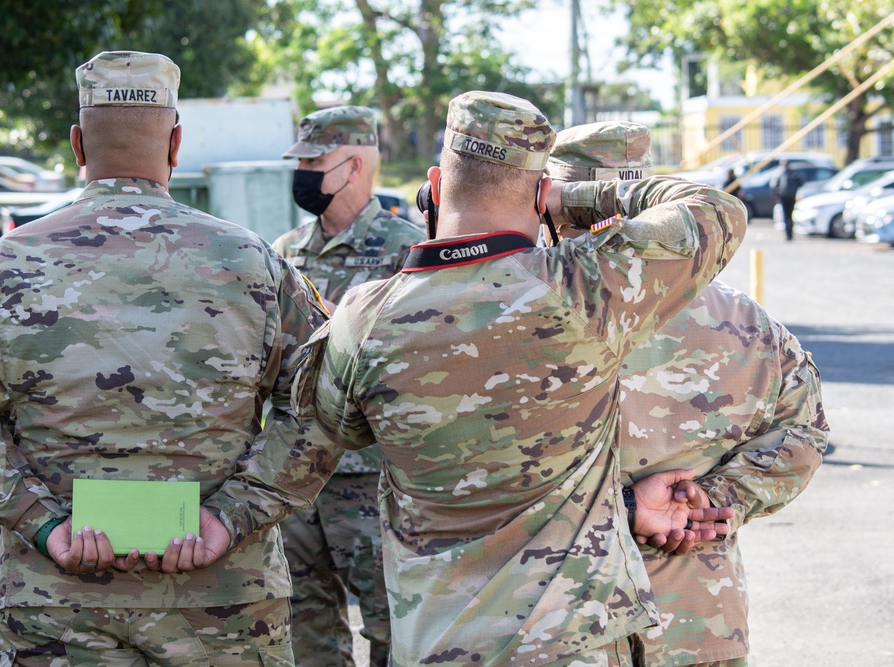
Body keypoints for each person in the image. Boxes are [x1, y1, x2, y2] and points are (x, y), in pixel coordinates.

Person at [0, 50, 340, 666]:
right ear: (176, 143)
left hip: (55, 598)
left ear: (78, 144)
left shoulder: (5, 265)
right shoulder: (252, 264)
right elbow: (327, 398)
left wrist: (40, 519)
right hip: (220, 600)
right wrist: (234, 514)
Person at [294, 92, 747, 666]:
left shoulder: (365, 313)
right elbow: (715, 211)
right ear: (541, 194)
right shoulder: (585, 288)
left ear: (434, 184)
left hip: (437, 646)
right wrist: (582, 197)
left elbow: (332, 427)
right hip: (569, 646)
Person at [549, 122, 830, 667]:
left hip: (560, 623)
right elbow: (806, 428)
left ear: (556, 202)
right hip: (699, 620)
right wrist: (718, 499)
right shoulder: (743, 317)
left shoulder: (519, 310)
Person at [273, 106, 424, 667]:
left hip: (371, 476)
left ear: (354, 165)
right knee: (304, 620)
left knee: (392, 622)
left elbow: (421, 359)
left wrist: (350, 325)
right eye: (301, 161)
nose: (303, 172)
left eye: (315, 161)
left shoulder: (407, 250)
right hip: (297, 470)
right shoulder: (285, 250)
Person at [770, 159, 803, 240]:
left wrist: (776, 195)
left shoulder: (780, 173)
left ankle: (787, 234)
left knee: (785, 216)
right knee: (790, 215)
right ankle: (790, 233)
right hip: (792, 197)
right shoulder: (793, 173)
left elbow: (773, 186)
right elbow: (801, 183)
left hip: (784, 197)